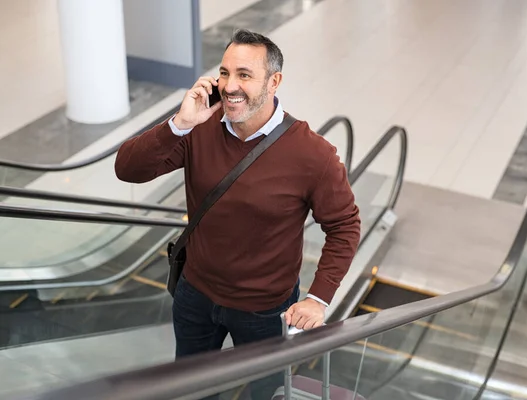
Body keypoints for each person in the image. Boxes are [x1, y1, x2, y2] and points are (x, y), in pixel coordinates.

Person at [115, 29, 360, 399]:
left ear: (274, 81)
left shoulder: (313, 155)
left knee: (265, 390)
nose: (230, 85)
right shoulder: (199, 128)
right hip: (194, 294)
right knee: (192, 388)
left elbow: (344, 226)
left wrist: (317, 298)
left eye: (244, 75)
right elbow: (128, 169)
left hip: (265, 310)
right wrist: (179, 124)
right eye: (224, 72)